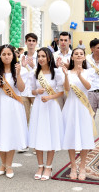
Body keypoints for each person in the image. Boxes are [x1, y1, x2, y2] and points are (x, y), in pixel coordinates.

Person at [0, 45, 28, 179]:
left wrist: (18, 74)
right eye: (3, 54)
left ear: (13, 56)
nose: (6, 56)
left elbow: (21, 89)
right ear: (0, 56)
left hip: (13, 106)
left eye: (9, 54)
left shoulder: (19, 71)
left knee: (10, 133)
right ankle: (3, 163)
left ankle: (9, 165)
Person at [29, 47, 64, 181]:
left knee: (51, 135)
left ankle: (48, 166)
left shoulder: (56, 72)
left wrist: (49, 97)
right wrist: (37, 92)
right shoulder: (34, 73)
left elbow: (61, 92)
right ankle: (40, 166)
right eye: (39, 56)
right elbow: (31, 91)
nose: (41, 59)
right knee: (39, 135)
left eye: (43, 56)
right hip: (39, 106)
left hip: (51, 106)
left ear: (49, 57)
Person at [61, 48, 95, 181]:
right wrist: (65, 75)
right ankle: (73, 166)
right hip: (70, 106)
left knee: (84, 136)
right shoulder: (67, 72)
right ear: (72, 58)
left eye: (81, 54)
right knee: (70, 136)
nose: (79, 56)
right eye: (76, 54)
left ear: (84, 57)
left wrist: (80, 75)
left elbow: (88, 87)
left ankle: (82, 166)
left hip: (83, 107)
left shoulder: (88, 72)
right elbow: (67, 89)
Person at [21, 33, 38, 128]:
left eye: (33, 41)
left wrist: (33, 66)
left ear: (36, 43)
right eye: (29, 41)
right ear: (26, 42)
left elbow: (42, 74)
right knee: (24, 118)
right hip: (24, 92)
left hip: (35, 91)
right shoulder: (21, 57)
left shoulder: (40, 56)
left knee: (36, 118)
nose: (31, 43)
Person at [54, 32, 72, 108]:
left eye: (65, 40)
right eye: (61, 40)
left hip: (71, 89)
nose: (63, 42)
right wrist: (56, 66)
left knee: (69, 115)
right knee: (58, 114)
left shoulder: (74, 54)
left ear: (69, 41)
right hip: (58, 89)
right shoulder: (54, 55)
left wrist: (69, 66)